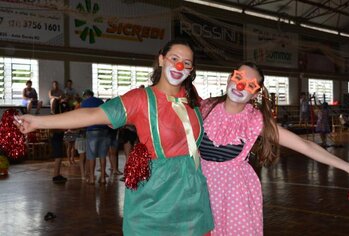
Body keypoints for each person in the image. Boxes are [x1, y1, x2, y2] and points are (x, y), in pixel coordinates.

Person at [14, 39, 214, 235]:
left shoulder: (194, 101)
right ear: (161, 60)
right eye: (174, 58)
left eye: (187, 63)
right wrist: (39, 122)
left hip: (193, 197)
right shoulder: (140, 99)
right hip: (158, 196)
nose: (180, 65)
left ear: (191, 70)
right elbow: (92, 114)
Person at [199, 62, 349, 236]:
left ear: (255, 94)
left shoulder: (255, 121)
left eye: (251, 85)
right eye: (238, 77)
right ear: (230, 78)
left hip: (236, 196)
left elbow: (305, 146)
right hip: (201, 190)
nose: (241, 85)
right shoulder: (206, 108)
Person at [81, 89, 110, 185]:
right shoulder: (100, 101)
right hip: (103, 129)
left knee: (91, 155)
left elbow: (82, 117)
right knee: (102, 155)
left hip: (92, 130)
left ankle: (92, 178)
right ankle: (102, 178)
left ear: (85, 95)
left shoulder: (85, 103)